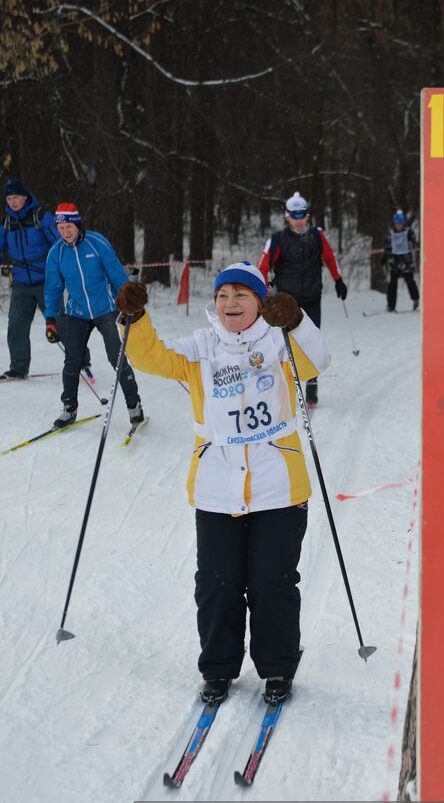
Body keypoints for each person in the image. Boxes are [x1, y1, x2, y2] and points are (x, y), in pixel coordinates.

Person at [115, 261, 331, 705]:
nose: (230, 303)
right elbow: (150, 356)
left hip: (279, 486)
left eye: (241, 295)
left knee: (272, 582)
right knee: (217, 583)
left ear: (259, 302)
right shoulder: (201, 347)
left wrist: (294, 320)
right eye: (222, 295)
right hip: (215, 487)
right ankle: (217, 668)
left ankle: (277, 669)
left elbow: (319, 360)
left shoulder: (278, 340)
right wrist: (134, 320)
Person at [44, 203, 143, 428]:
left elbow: (116, 274)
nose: (65, 232)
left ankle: (134, 405)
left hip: (106, 309)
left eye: (69, 226)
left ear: (77, 224)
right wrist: (51, 318)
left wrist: (128, 300)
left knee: (116, 358)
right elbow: (53, 288)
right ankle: (69, 409)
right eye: (61, 228)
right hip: (76, 313)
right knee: (72, 361)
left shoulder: (97, 243)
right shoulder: (56, 253)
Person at [258, 192, 346, 408]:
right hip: (287, 302)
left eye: (303, 214)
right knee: (285, 345)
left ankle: (311, 391)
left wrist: (338, 280)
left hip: (312, 297)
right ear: (287, 216)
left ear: (308, 215)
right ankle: (283, 388)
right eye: (294, 215)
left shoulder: (317, 235)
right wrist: (262, 292)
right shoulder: (277, 240)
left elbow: (329, 257)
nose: (299, 219)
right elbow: (263, 266)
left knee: (312, 342)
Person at [0, 179, 92, 379]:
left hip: (46, 281)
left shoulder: (41, 217)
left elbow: (60, 244)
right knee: (16, 324)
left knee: (58, 321)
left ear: (25, 197)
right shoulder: (7, 222)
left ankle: (81, 359)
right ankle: (18, 367)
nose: (13, 202)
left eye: (16, 197)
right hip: (21, 282)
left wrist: (66, 269)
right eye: (9, 198)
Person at [381, 209, 419, 313]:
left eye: (400, 224)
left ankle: (416, 299)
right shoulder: (391, 233)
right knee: (392, 285)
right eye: (396, 224)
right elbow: (388, 246)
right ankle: (391, 306)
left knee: (410, 282)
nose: (398, 226)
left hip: (406, 261)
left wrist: (413, 243)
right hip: (395, 262)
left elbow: (414, 243)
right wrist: (385, 257)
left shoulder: (408, 232)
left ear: (403, 223)